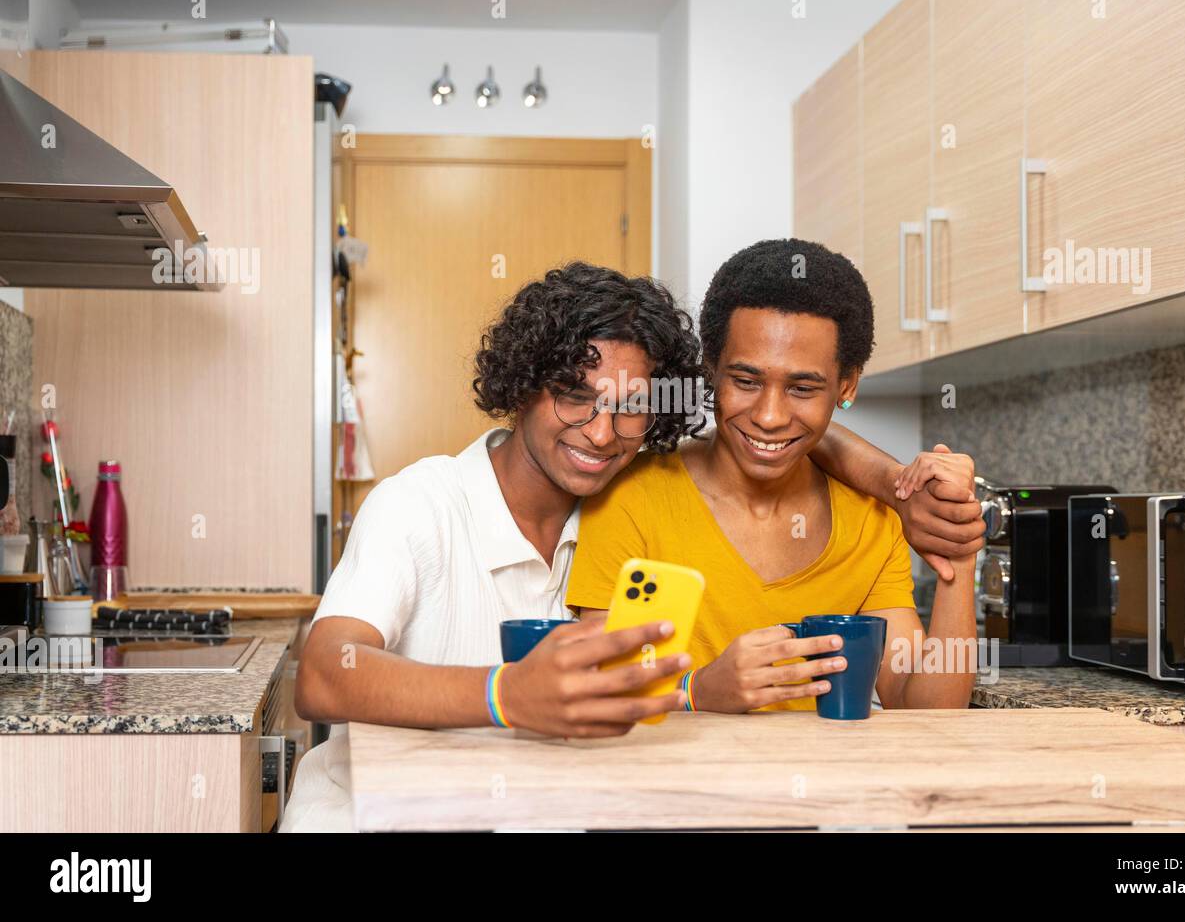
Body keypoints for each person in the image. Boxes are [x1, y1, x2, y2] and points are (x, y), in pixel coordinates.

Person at [284, 260, 982, 831]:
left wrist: (902, 486)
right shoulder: (422, 505)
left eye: (627, 406)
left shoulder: (614, 502)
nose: (598, 430)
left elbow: (781, 424)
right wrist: (507, 695)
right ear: (523, 384)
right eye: (573, 394)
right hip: (363, 818)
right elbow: (322, 675)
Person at [567, 240, 979, 712]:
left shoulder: (871, 520)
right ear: (711, 371)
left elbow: (927, 712)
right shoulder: (631, 497)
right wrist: (700, 692)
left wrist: (958, 550)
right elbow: (600, 688)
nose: (768, 416)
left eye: (802, 388)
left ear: (847, 385)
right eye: (745, 382)